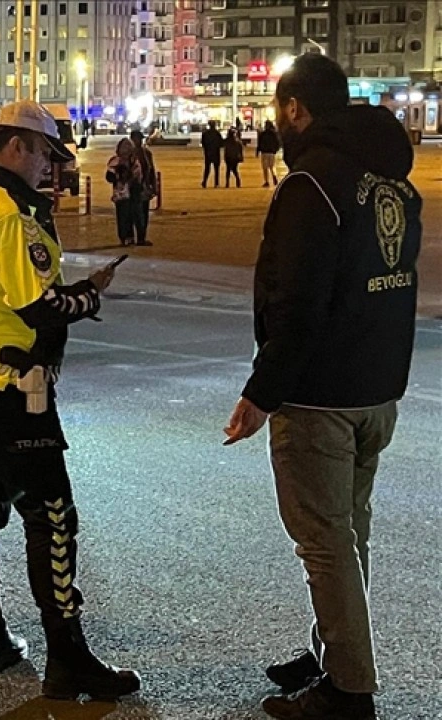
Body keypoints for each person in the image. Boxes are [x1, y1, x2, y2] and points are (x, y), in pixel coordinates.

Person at [0, 100, 141, 698]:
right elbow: (35, 308)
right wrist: (88, 298)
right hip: (14, 389)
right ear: (16, 147)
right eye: (45, 153)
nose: (50, 168)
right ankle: (68, 661)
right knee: (52, 518)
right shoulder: (11, 214)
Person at [222, 54, 421, 720]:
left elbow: (297, 305)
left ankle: (348, 691)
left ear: (296, 109)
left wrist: (262, 392)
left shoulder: (312, 185)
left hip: (320, 396)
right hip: (375, 389)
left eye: (280, 108)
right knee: (348, 534)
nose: (277, 121)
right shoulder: (389, 181)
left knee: (324, 541)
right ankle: (335, 652)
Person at [105, 138, 138, 246]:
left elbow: (138, 175)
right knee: (123, 216)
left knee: (130, 216)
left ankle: (129, 237)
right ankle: (124, 237)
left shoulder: (133, 161)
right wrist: (119, 175)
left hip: (132, 192)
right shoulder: (116, 161)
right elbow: (109, 177)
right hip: (121, 194)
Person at [128, 129, 157, 246]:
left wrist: (154, 186)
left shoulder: (146, 153)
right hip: (132, 188)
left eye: (140, 139)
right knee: (134, 214)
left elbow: (151, 170)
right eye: (136, 139)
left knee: (144, 214)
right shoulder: (128, 154)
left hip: (144, 188)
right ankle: (131, 238)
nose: (139, 142)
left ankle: (141, 237)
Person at [256, 119, 281, 187]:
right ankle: (274, 175)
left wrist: (257, 151)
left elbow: (259, 143)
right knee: (272, 166)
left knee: (265, 168)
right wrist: (275, 150)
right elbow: (278, 142)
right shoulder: (274, 134)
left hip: (264, 152)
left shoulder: (263, 134)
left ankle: (266, 181)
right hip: (272, 152)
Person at [201, 120, 224, 188]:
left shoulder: (205, 133)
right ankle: (216, 183)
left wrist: (206, 149)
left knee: (207, 168)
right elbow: (221, 143)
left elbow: (203, 143)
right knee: (216, 169)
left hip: (208, 153)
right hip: (216, 153)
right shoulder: (217, 133)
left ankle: (204, 182)